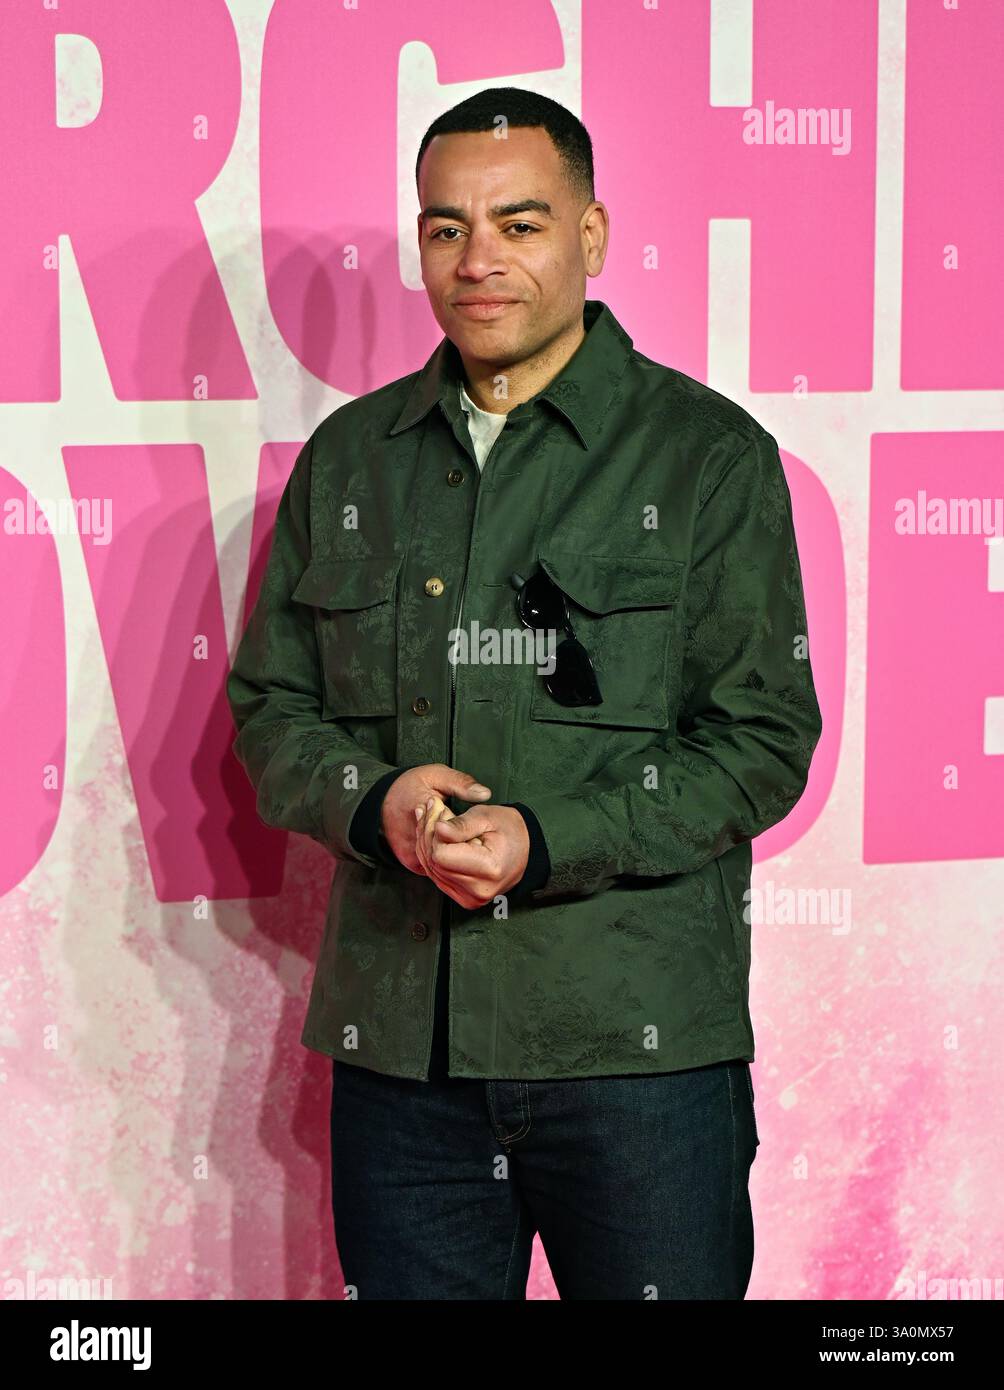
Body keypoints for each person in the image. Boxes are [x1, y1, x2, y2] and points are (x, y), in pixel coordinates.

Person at [225, 87, 823, 1300]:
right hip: (406, 1058)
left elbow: (759, 739)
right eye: (445, 229)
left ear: (590, 237)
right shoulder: (352, 460)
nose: (478, 260)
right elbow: (270, 709)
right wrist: (375, 800)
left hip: (634, 1058)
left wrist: (547, 839)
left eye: (519, 223)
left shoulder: (706, 459)